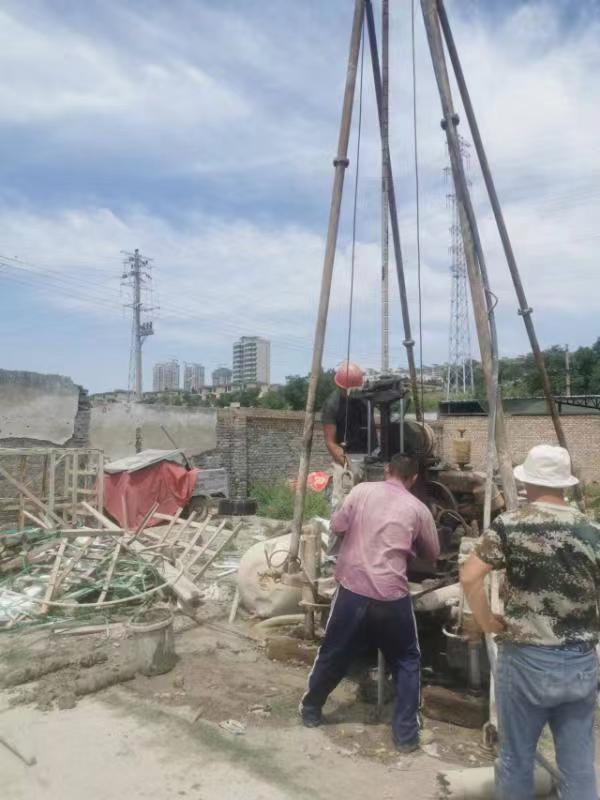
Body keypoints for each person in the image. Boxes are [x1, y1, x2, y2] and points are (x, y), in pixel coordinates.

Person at [460, 444, 600, 800]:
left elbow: (469, 576)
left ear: (528, 483)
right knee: (579, 766)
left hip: (526, 661)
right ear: (565, 484)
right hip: (580, 662)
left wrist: (486, 621)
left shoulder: (510, 526)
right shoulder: (592, 531)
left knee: (516, 759)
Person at [299, 454, 439, 752]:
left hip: (352, 591)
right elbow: (433, 554)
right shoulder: (418, 509)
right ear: (414, 478)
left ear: (387, 470)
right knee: (406, 661)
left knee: (333, 652)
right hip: (391, 597)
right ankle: (406, 736)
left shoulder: (361, 491)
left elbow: (337, 525)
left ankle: (311, 711)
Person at [321, 361, 376, 510]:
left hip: (372, 456)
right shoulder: (332, 405)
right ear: (339, 386)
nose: (351, 393)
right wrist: (350, 465)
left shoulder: (367, 398)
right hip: (347, 457)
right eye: (347, 390)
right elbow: (330, 442)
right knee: (342, 502)